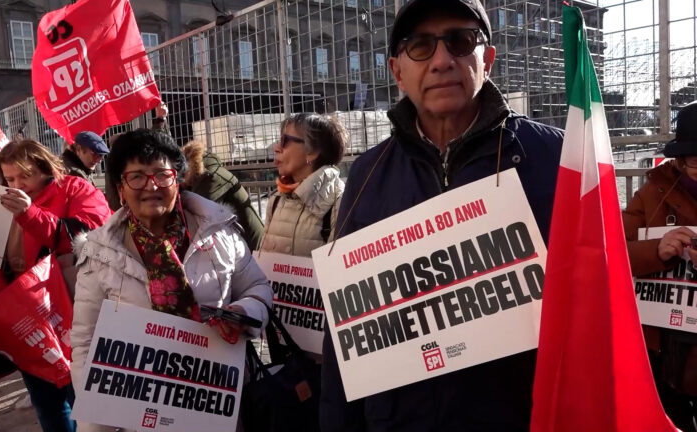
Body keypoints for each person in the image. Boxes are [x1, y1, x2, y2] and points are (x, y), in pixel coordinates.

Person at [319, 1, 564, 431]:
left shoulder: (557, 157)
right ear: (397, 71)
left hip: (520, 413)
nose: (441, 60)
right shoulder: (367, 173)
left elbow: (601, 300)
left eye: (459, 40)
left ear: (486, 58)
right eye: (420, 46)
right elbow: (345, 327)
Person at [70, 129, 272, 432]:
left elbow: (258, 288)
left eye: (162, 175)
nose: (151, 186)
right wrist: (95, 424)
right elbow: (85, 343)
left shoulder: (218, 231)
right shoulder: (100, 253)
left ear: (177, 180)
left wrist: (245, 313)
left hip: (221, 404)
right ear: (120, 188)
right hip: (141, 415)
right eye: (136, 176)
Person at [0, 139, 111, 432]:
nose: (18, 184)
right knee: (46, 403)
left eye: (25, 175)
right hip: (28, 322)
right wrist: (6, 308)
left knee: (86, 401)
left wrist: (30, 214)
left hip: (74, 314)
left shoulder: (74, 189)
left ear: (45, 168)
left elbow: (92, 234)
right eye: (10, 178)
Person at [623, 102, 697, 432]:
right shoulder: (652, 193)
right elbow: (611, 251)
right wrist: (657, 249)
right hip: (663, 347)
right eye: (695, 159)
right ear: (681, 160)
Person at [260, 113, 345, 257]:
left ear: (312, 152)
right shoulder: (276, 199)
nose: (276, 148)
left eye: (284, 140)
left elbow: (338, 272)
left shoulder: (339, 201)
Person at [182, 140, 265, 250]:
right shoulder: (204, 175)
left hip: (252, 245)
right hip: (240, 241)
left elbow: (195, 215)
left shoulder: (211, 176)